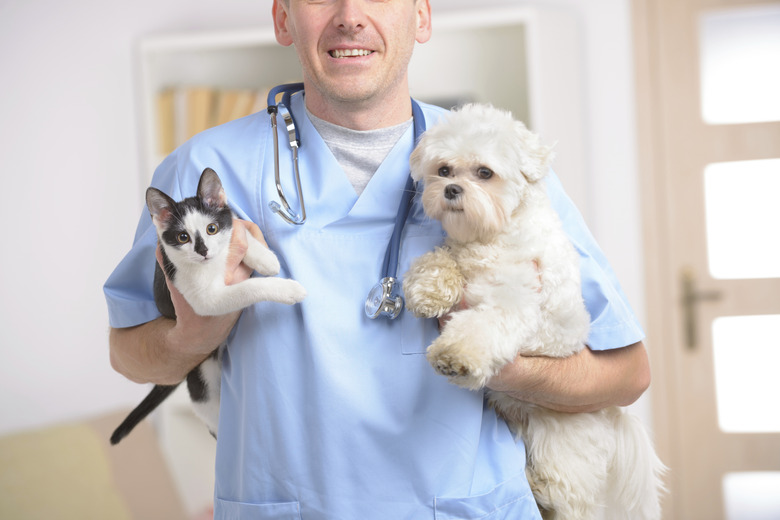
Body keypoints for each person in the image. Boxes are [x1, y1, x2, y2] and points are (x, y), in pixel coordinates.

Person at [104, 0, 650, 518]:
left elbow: (626, 373)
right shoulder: (207, 167)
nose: (349, 17)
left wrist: (508, 368)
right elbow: (129, 352)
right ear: (283, 17)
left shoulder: (496, 164)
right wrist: (193, 335)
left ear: (421, 15)